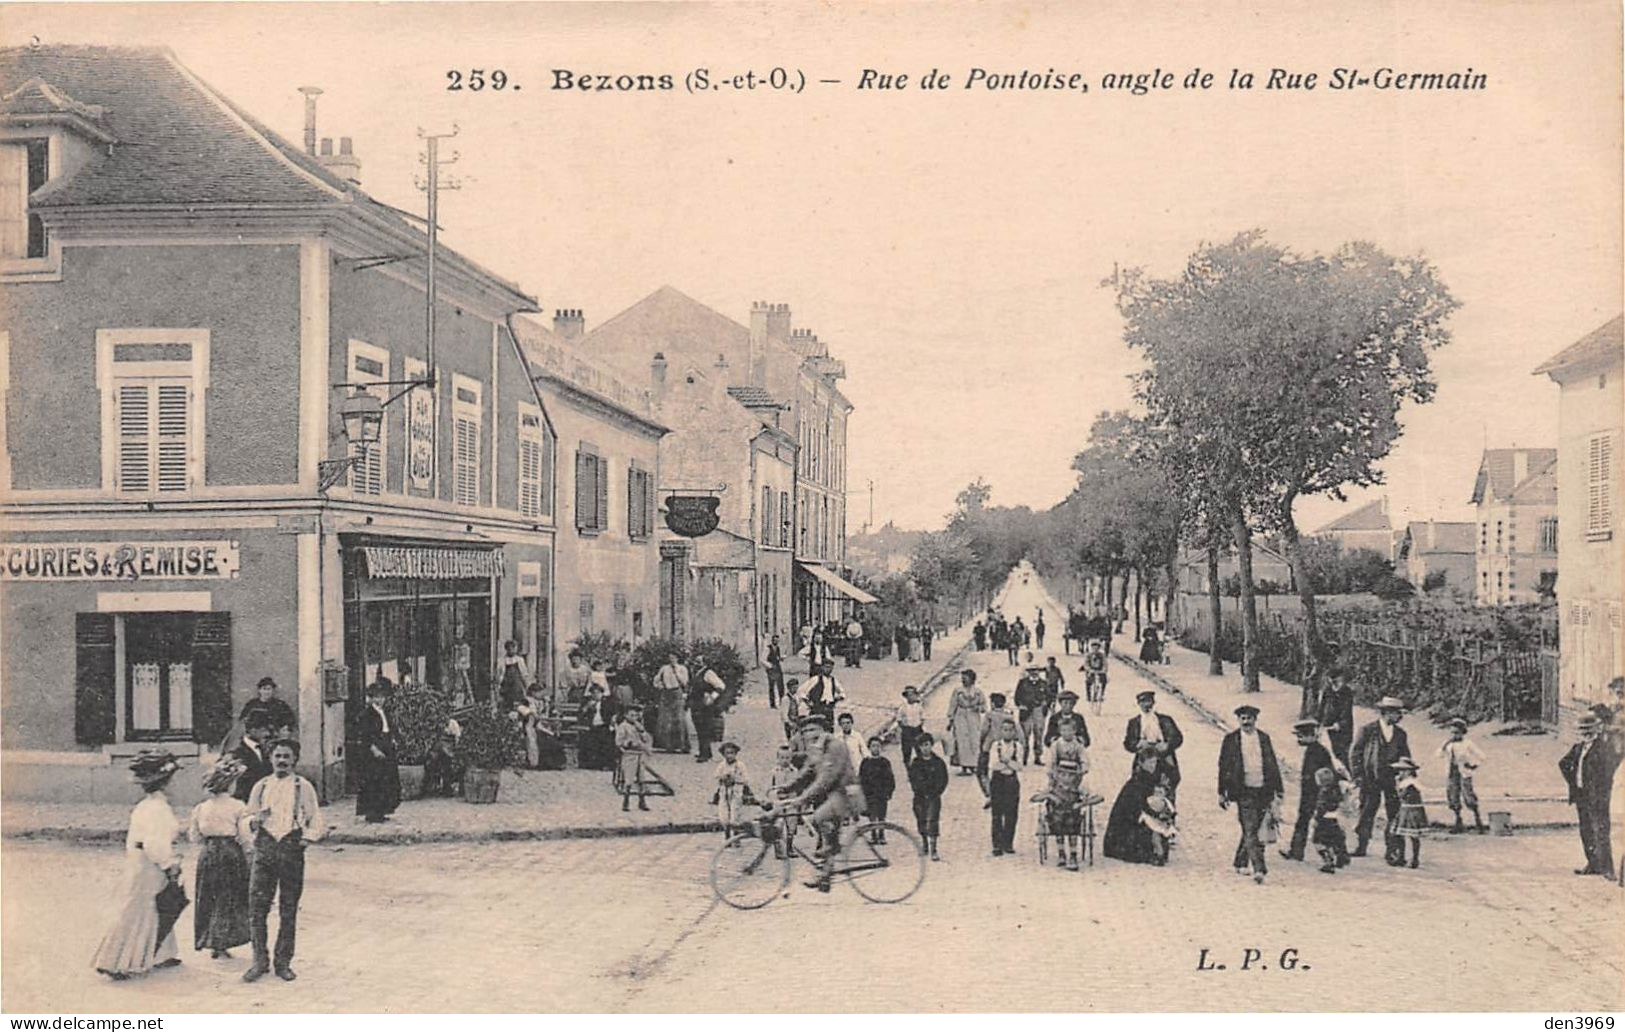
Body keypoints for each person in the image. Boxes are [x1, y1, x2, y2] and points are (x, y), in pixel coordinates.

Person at [93, 751, 186, 980]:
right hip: (150, 865)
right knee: (144, 907)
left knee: (157, 906)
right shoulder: (158, 809)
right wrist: (169, 864)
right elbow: (154, 843)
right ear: (165, 782)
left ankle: (161, 953)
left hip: (140, 862)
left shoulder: (146, 805)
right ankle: (114, 961)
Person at [242, 738, 324, 983]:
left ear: (294, 760)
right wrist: (255, 821)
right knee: (257, 908)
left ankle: (283, 962)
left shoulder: (303, 786)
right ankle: (259, 961)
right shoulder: (261, 786)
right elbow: (246, 818)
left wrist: (305, 839)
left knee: (288, 909)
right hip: (265, 848)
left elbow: (315, 819)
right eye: (278, 756)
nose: (282, 761)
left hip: (290, 849)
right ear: (270, 758)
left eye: (287, 756)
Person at [773, 715, 864, 892]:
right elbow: (808, 771)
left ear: (823, 730)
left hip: (846, 793)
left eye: (813, 729)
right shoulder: (817, 748)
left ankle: (832, 849)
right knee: (827, 831)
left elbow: (826, 778)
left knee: (819, 818)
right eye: (805, 731)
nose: (808, 734)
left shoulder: (835, 746)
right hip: (833, 794)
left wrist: (803, 798)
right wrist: (788, 786)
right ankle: (825, 876)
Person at [189, 757, 253, 960]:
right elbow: (244, 835)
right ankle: (224, 939)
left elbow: (194, 836)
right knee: (229, 895)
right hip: (230, 852)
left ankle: (210, 940)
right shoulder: (237, 806)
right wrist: (249, 855)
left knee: (208, 895)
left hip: (208, 852)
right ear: (230, 784)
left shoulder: (200, 808)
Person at [1217, 704, 1284, 885]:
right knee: (1250, 827)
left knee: (1254, 828)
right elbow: (1223, 767)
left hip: (1263, 789)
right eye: (1243, 718)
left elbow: (1272, 764)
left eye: (1249, 718)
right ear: (1238, 720)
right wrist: (1221, 792)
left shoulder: (1263, 738)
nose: (1246, 722)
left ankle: (1240, 861)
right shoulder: (1231, 740)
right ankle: (1259, 868)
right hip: (1243, 790)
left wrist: (1279, 790)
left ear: (1255, 720)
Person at [1559, 713, 1621, 877]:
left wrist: (1602, 787)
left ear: (1596, 731)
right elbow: (1563, 763)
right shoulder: (1578, 748)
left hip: (1598, 796)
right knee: (1586, 830)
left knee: (1600, 831)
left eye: (1589, 730)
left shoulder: (1603, 749)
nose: (1586, 734)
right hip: (1581, 795)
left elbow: (1611, 769)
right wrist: (1573, 782)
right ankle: (1593, 864)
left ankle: (1607, 868)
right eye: (1582, 730)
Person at [1351, 696, 1412, 861]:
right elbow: (1355, 754)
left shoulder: (1400, 734)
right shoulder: (1368, 730)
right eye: (1397, 713)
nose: (1400, 716)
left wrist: (1405, 768)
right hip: (1370, 778)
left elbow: (1405, 754)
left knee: (1395, 813)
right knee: (1367, 811)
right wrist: (1358, 777)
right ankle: (1361, 845)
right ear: (1386, 713)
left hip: (1391, 779)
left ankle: (1392, 849)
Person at [1039, 713, 1093, 870]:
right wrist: (1053, 775)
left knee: (1072, 819)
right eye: (1064, 731)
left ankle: (1074, 854)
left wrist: (1081, 770)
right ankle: (1062, 852)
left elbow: (1084, 761)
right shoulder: (1057, 745)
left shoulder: (1078, 745)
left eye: (1070, 731)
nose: (1067, 734)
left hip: (1074, 778)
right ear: (1060, 731)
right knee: (1056, 818)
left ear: (1075, 731)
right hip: (1058, 778)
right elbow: (1051, 763)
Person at [1282, 718, 1336, 862]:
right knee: (1303, 821)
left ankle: (1329, 858)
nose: (1299, 739)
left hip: (1317, 794)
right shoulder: (1312, 750)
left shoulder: (1319, 752)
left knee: (1317, 825)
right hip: (1309, 794)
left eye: (1301, 736)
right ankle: (1296, 851)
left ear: (1310, 736)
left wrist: (1322, 795)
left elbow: (1326, 776)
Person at [1103, 746, 1164, 865]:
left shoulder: (1150, 778)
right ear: (1141, 763)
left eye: (1154, 762)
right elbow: (1136, 804)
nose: (1153, 766)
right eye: (1150, 762)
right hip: (1129, 819)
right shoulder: (1138, 781)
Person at [1123, 689, 1184, 803]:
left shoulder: (1165, 720)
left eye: (1149, 702)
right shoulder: (1134, 722)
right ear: (1139, 704)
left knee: (1167, 789)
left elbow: (1178, 737)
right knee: (1141, 790)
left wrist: (1167, 745)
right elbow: (1128, 743)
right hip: (1144, 759)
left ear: (1153, 703)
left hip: (1164, 757)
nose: (1146, 705)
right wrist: (1137, 744)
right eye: (1143, 702)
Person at [354, 680, 400, 824]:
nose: (380, 700)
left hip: (387, 746)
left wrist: (393, 739)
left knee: (387, 781)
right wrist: (373, 749)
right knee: (374, 782)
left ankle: (382, 810)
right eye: (377, 697)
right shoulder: (366, 714)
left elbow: (389, 728)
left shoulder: (385, 712)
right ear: (371, 698)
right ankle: (372, 813)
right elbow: (364, 735)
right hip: (374, 750)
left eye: (382, 697)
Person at [1438, 716, 1487, 834]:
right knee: (1453, 796)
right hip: (1451, 772)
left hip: (1464, 773)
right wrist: (1444, 745)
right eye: (1452, 732)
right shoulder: (1449, 744)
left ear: (1462, 732)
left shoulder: (1467, 743)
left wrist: (1473, 764)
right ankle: (1458, 822)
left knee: (1469, 796)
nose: (1454, 735)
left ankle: (1478, 822)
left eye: (1457, 732)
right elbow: (1439, 755)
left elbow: (1482, 756)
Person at [908, 732, 949, 861]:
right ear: (918, 748)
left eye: (927, 745)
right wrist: (919, 790)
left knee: (933, 820)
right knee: (921, 820)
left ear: (932, 745)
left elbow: (944, 779)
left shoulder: (938, 762)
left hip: (933, 797)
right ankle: (924, 842)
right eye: (922, 746)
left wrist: (937, 791)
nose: (925, 748)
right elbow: (912, 779)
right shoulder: (916, 763)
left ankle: (934, 849)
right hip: (920, 797)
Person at [988, 716, 1023, 856]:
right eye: (1005, 730)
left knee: (1011, 813)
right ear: (1001, 731)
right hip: (998, 781)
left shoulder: (1018, 747)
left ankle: (1008, 843)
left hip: (1012, 781)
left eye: (1010, 730)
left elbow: (1019, 766)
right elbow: (994, 765)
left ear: (1014, 732)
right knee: (997, 813)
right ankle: (997, 844)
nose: (1007, 732)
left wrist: (1006, 761)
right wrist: (1009, 764)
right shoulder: (996, 746)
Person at [711, 739, 757, 837]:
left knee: (734, 815)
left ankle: (736, 835)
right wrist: (723, 777)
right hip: (724, 793)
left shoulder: (740, 765)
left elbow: (746, 779)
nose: (729, 756)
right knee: (724, 816)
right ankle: (727, 834)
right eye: (727, 753)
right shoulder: (722, 765)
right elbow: (716, 776)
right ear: (723, 754)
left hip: (736, 793)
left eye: (732, 753)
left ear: (736, 754)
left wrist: (735, 779)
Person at [1389, 758, 1428, 869]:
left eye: (1402, 770)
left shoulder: (1411, 783)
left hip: (1412, 809)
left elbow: (1403, 795)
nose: (1400, 772)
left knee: (1413, 835)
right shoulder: (1403, 782)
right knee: (1399, 834)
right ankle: (1401, 857)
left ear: (1409, 771)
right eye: (1399, 770)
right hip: (1405, 809)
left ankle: (1415, 859)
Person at [946, 669, 986, 774]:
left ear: (972, 679)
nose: (963, 679)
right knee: (962, 741)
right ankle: (963, 766)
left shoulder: (978, 692)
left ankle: (973, 765)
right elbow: (952, 705)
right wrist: (951, 720)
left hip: (973, 718)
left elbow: (984, 706)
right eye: (962, 678)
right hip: (960, 717)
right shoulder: (957, 691)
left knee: (974, 741)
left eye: (966, 677)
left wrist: (977, 708)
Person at [615, 708, 655, 813]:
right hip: (629, 755)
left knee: (642, 779)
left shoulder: (639, 726)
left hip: (640, 755)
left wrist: (642, 732)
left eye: (635, 716)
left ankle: (642, 801)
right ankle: (626, 801)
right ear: (626, 715)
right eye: (631, 715)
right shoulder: (623, 726)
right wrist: (628, 743)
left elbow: (646, 739)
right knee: (629, 779)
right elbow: (619, 741)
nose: (633, 718)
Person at [1317, 671, 1357, 771]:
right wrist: (1319, 722)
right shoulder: (1328, 691)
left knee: (1344, 751)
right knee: (1335, 750)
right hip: (1330, 726)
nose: (1334, 682)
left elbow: (1346, 711)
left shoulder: (1346, 692)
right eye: (1331, 679)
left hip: (1343, 727)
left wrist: (1340, 724)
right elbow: (1322, 707)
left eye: (1337, 680)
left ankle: (1350, 772)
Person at [230, 718, 275, 804]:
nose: (267, 734)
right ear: (252, 730)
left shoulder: (265, 750)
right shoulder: (237, 752)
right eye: (263, 730)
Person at [859, 736, 896, 843]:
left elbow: (890, 778)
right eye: (873, 746)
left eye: (878, 746)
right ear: (869, 748)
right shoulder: (866, 762)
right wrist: (863, 792)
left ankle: (882, 835)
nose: (876, 748)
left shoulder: (885, 762)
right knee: (872, 816)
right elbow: (862, 778)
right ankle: (873, 835)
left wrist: (889, 791)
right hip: (870, 794)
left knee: (881, 815)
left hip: (882, 793)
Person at [689, 659, 726, 763]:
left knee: (704, 727)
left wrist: (712, 697)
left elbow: (721, 686)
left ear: (704, 662)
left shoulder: (708, 673)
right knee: (699, 727)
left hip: (704, 705)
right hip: (696, 703)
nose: (696, 663)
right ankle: (704, 751)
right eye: (695, 661)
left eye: (699, 661)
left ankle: (704, 754)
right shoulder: (696, 673)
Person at [653, 653, 690, 754]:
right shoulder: (664, 668)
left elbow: (685, 682)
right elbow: (656, 680)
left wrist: (676, 673)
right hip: (666, 693)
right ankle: (667, 745)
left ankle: (682, 745)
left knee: (679, 718)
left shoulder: (682, 668)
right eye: (670, 658)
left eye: (673, 658)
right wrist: (660, 686)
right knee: (666, 718)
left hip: (677, 692)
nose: (671, 660)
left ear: (677, 658)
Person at [1015, 665, 1051, 766]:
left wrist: (1045, 703)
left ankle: (1037, 757)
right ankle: (1024, 757)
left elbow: (1049, 696)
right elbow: (1017, 697)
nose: (1034, 673)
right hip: (1026, 712)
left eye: (1036, 671)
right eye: (1032, 671)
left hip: (1038, 711)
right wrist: (1021, 705)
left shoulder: (1044, 683)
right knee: (1025, 735)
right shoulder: (1022, 683)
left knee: (1038, 735)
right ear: (1028, 672)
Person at [577, 681, 616, 770]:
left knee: (605, 739)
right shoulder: (587, 703)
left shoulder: (607, 703)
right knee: (589, 740)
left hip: (604, 725)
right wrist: (586, 708)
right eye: (593, 693)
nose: (596, 695)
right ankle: (592, 764)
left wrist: (613, 719)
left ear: (602, 693)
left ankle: (606, 764)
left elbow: (614, 713)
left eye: (598, 693)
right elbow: (580, 715)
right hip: (591, 726)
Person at [421, 729, 464, 797]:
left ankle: (445, 788)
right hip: (437, 758)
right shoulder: (440, 743)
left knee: (446, 767)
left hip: (442, 759)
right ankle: (440, 788)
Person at [803, 661, 845, 727]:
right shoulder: (816, 679)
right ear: (822, 667)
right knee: (816, 726)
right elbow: (803, 691)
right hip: (818, 707)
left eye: (830, 667)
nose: (828, 669)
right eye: (826, 667)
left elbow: (842, 692)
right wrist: (808, 702)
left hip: (829, 708)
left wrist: (836, 699)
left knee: (829, 727)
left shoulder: (833, 680)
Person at [498, 640, 531, 711]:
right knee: (506, 704)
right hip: (506, 686)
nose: (512, 650)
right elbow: (499, 674)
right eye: (510, 649)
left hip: (517, 686)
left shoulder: (519, 660)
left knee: (518, 704)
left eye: (514, 648)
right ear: (507, 649)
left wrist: (526, 686)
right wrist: (499, 686)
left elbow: (524, 674)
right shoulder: (502, 660)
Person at [896, 686, 925, 767]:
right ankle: (909, 770)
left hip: (917, 730)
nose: (910, 697)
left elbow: (922, 718)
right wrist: (904, 728)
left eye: (912, 694)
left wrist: (919, 726)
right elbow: (899, 719)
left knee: (920, 751)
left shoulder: (919, 706)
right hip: (907, 731)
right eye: (908, 695)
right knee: (906, 752)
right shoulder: (903, 707)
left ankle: (921, 771)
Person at [1081, 639, 1109, 716]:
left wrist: (1104, 670)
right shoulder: (1088, 655)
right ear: (1091, 648)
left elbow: (1105, 664)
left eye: (1097, 648)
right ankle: (1089, 695)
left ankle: (1102, 693)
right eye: (1094, 648)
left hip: (1100, 671)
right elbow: (1086, 664)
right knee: (1088, 681)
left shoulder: (1102, 655)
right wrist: (1089, 670)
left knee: (1104, 680)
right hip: (1091, 671)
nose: (1095, 649)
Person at [765, 635, 786, 709]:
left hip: (777, 668)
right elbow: (763, 660)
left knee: (780, 685)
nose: (776, 642)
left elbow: (777, 658)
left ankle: (781, 702)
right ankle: (772, 704)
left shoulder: (778, 648)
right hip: (771, 669)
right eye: (774, 640)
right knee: (771, 686)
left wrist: (781, 658)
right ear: (772, 640)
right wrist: (769, 666)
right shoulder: (768, 649)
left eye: (777, 640)